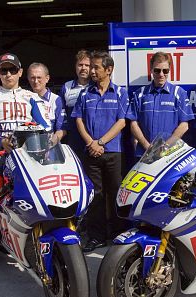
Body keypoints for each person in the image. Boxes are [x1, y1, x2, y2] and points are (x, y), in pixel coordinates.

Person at [0, 53, 51, 238]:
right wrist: (1, 141)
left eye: (12, 70)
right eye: (4, 70)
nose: (8, 74)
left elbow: (46, 126)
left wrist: (29, 136)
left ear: (20, 72)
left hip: (30, 153)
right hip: (0, 153)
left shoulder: (32, 97)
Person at [72, 51, 132, 251]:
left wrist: (101, 142)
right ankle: (96, 236)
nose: (92, 71)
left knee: (116, 193)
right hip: (91, 152)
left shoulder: (121, 93)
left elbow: (122, 121)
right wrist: (91, 143)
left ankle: (117, 234)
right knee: (95, 196)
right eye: (91, 67)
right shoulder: (85, 93)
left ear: (109, 70)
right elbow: (78, 119)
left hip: (114, 152)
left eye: (96, 67)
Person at [129, 51, 194, 156]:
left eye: (165, 71)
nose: (161, 74)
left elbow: (184, 125)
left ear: (169, 70)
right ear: (151, 70)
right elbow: (133, 124)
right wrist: (147, 147)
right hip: (144, 153)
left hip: (170, 153)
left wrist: (166, 146)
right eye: (157, 70)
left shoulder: (179, 93)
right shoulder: (140, 94)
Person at [27, 62, 66, 142]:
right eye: (32, 78)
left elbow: (62, 129)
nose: (36, 81)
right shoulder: (23, 98)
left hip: (50, 147)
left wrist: (51, 143)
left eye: (39, 77)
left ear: (47, 78)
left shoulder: (56, 100)